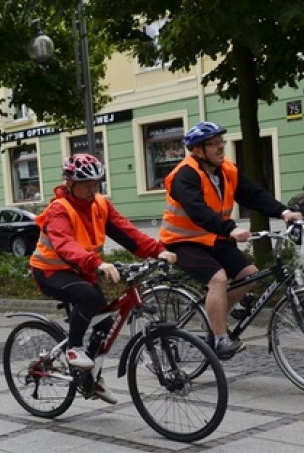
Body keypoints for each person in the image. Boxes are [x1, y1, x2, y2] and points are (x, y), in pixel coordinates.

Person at [30, 153, 177, 403]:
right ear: (69, 183)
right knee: (88, 298)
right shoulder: (59, 210)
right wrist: (98, 263)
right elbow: (65, 244)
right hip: (50, 271)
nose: (92, 189)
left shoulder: (100, 205)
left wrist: (158, 250)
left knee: (106, 322)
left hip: (83, 270)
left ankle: (91, 379)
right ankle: (74, 350)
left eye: (96, 183)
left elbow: (127, 232)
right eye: (86, 184)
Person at [160, 121, 304, 359]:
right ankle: (219, 338)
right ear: (198, 150)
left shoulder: (227, 170)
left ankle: (215, 319)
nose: (220, 148)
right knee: (218, 280)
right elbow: (198, 211)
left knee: (249, 275)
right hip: (183, 242)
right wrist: (231, 228)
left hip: (215, 238)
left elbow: (253, 194)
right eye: (213, 144)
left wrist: (284, 213)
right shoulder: (184, 175)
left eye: (221, 143)